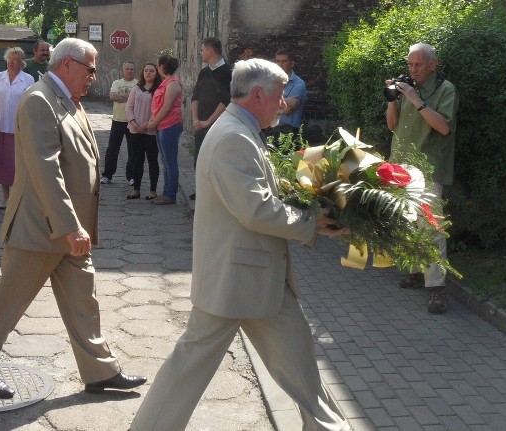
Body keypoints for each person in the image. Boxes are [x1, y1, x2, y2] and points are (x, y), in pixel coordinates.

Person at [131, 58, 348, 431]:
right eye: (279, 96)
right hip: (237, 280)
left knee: (301, 365)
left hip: (257, 277)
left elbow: (256, 197)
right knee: (189, 366)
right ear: (259, 95)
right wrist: (311, 224)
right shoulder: (233, 136)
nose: (283, 104)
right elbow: (256, 210)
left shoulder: (240, 130)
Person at [0, 38, 145, 399]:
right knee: (9, 302)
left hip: (68, 229)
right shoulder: (39, 101)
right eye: (90, 69)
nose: (93, 76)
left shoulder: (68, 100)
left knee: (83, 301)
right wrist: (69, 226)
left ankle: (99, 371)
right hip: (41, 228)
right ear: (67, 65)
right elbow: (46, 170)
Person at [385, 42, 457, 314]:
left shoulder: (445, 90)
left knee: (431, 228)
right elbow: (392, 126)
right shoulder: (405, 86)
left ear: (433, 65)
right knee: (408, 225)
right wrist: (393, 100)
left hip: (428, 169)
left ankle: (437, 288)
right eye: (410, 64)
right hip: (401, 165)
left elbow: (444, 127)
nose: (413, 70)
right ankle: (416, 272)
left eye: (418, 65)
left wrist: (415, 99)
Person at [0, 47, 34, 208]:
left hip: (18, 127)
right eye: (8, 59)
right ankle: (5, 197)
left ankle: (18, 195)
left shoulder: (28, 79)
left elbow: (30, 104)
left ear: (21, 62)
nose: (10, 62)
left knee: (17, 163)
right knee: (2, 162)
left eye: (14, 59)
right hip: (0, 127)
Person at [189, 37, 232, 199]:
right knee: (199, 158)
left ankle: (215, 194)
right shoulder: (204, 71)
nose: (200, 53)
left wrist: (209, 121)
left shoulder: (227, 72)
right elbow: (195, 97)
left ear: (210, 51)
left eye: (202, 50)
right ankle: (202, 191)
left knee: (216, 160)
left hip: (218, 124)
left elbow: (225, 101)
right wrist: (195, 119)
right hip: (201, 124)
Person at [147, 55, 182, 206]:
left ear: (162, 66)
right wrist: (153, 120)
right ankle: (166, 192)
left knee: (170, 161)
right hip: (162, 125)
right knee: (165, 160)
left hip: (170, 125)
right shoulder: (166, 82)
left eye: (158, 66)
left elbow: (167, 107)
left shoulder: (173, 84)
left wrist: (154, 122)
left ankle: (170, 194)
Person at [125, 63, 161, 200]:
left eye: (151, 71)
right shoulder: (136, 89)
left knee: (152, 160)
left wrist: (147, 124)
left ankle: (152, 191)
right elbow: (128, 107)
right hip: (135, 130)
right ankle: (136, 190)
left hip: (151, 130)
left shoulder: (158, 90)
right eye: (146, 70)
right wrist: (133, 123)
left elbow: (158, 110)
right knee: (137, 160)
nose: (148, 73)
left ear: (156, 73)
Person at [100, 61, 137, 185]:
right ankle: (107, 175)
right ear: (123, 70)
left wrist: (122, 96)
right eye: (127, 69)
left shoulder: (138, 84)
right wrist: (130, 97)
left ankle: (131, 176)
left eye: (131, 69)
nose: (129, 71)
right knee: (112, 149)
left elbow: (137, 99)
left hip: (132, 121)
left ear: (134, 70)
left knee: (133, 150)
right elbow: (112, 97)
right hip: (118, 120)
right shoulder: (117, 83)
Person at [266, 49, 306, 138]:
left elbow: (286, 110)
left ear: (291, 64)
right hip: (268, 128)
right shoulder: (270, 81)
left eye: (284, 61)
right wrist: (286, 100)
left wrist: (267, 102)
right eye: (278, 61)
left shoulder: (298, 84)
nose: (280, 65)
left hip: (287, 131)